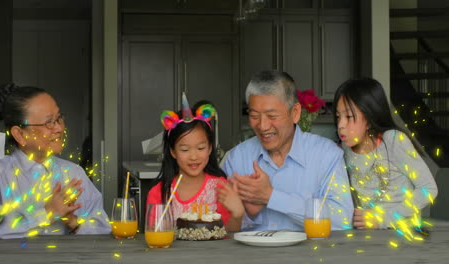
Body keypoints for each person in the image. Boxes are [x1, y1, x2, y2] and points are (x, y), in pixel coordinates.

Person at [223, 70, 353, 231]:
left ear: (295, 113)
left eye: (272, 116)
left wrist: (271, 196)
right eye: (254, 116)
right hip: (250, 256)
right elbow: (217, 223)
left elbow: (342, 220)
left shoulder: (326, 155)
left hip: (311, 255)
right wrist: (246, 213)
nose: (262, 126)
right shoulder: (236, 158)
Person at [0, 84, 110, 239]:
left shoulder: (73, 173)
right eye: (49, 122)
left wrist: (73, 221)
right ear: (20, 134)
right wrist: (46, 213)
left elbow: (104, 228)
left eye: (59, 118)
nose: (59, 128)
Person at [333, 78, 438, 229]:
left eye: (349, 116)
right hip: (366, 237)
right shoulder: (345, 147)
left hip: (403, 235)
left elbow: (428, 189)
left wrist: (383, 219)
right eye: (338, 117)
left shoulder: (394, 140)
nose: (341, 125)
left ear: (369, 118)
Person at [146, 96, 244, 232]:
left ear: (210, 148)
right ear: (173, 151)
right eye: (185, 149)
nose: (194, 156)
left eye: (200, 148)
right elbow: (153, 236)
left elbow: (228, 235)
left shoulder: (220, 187)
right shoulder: (159, 193)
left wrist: (237, 214)